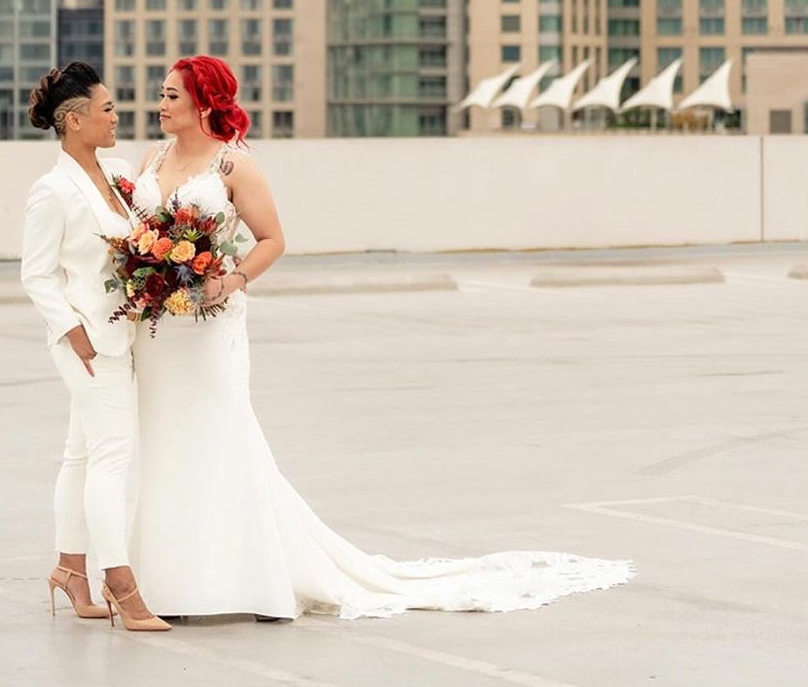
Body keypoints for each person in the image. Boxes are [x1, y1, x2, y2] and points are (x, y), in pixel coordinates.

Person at [128, 55, 633, 620]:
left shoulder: (233, 165)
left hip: (208, 326)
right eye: (162, 94)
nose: (161, 104)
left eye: (171, 95)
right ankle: (168, 582)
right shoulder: (150, 158)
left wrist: (232, 280)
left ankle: (252, 580)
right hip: (157, 328)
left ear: (203, 102)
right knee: (164, 442)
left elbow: (272, 239)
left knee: (219, 438)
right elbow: (136, 235)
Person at [21, 62, 169, 632]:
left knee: (82, 454)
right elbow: (36, 274)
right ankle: (123, 587)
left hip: (119, 331)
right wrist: (72, 330)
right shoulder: (52, 191)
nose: (116, 117)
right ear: (74, 119)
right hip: (84, 341)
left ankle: (70, 570)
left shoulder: (116, 172)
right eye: (107, 109)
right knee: (114, 456)